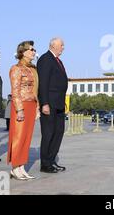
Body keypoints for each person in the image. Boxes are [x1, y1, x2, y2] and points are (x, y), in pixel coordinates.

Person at [8, 41, 39, 180]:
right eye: (31, 49)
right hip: (21, 106)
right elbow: (15, 91)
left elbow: (35, 90)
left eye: (34, 49)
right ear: (23, 52)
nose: (34, 51)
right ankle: (15, 167)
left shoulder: (32, 69)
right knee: (18, 137)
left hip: (31, 104)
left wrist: (37, 107)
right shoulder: (16, 68)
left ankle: (22, 167)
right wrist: (19, 109)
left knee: (27, 138)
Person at [37, 38, 68, 174]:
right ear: (53, 45)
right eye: (61, 45)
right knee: (48, 133)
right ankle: (45, 164)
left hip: (59, 104)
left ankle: (52, 161)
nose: (63, 47)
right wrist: (44, 103)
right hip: (49, 103)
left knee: (58, 132)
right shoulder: (45, 59)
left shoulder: (58, 61)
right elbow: (43, 83)